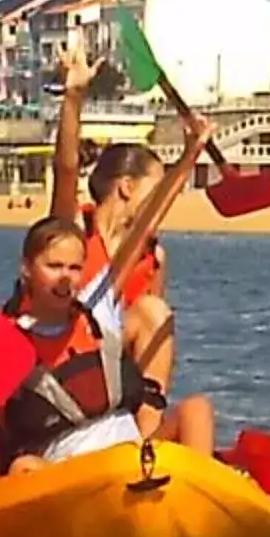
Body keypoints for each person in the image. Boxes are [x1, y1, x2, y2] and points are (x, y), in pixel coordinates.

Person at [0, 121, 213, 499]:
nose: (66, 278)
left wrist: (190, 155)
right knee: (24, 468)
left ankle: (200, 501)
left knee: (197, 409)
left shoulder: (97, 305)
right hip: (69, 476)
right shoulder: (12, 343)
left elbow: (147, 223)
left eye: (74, 269)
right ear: (28, 269)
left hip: (130, 453)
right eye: (53, 267)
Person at [48, 34, 179, 380]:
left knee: (154, 312)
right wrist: (73, 98)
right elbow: (65, 169)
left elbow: (150, 342)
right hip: (64, 364)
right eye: (158, 188)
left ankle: (145, 431)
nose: (168, 199)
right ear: (126, 186)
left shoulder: (154, 256)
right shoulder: (74, 230)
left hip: (114, 380)